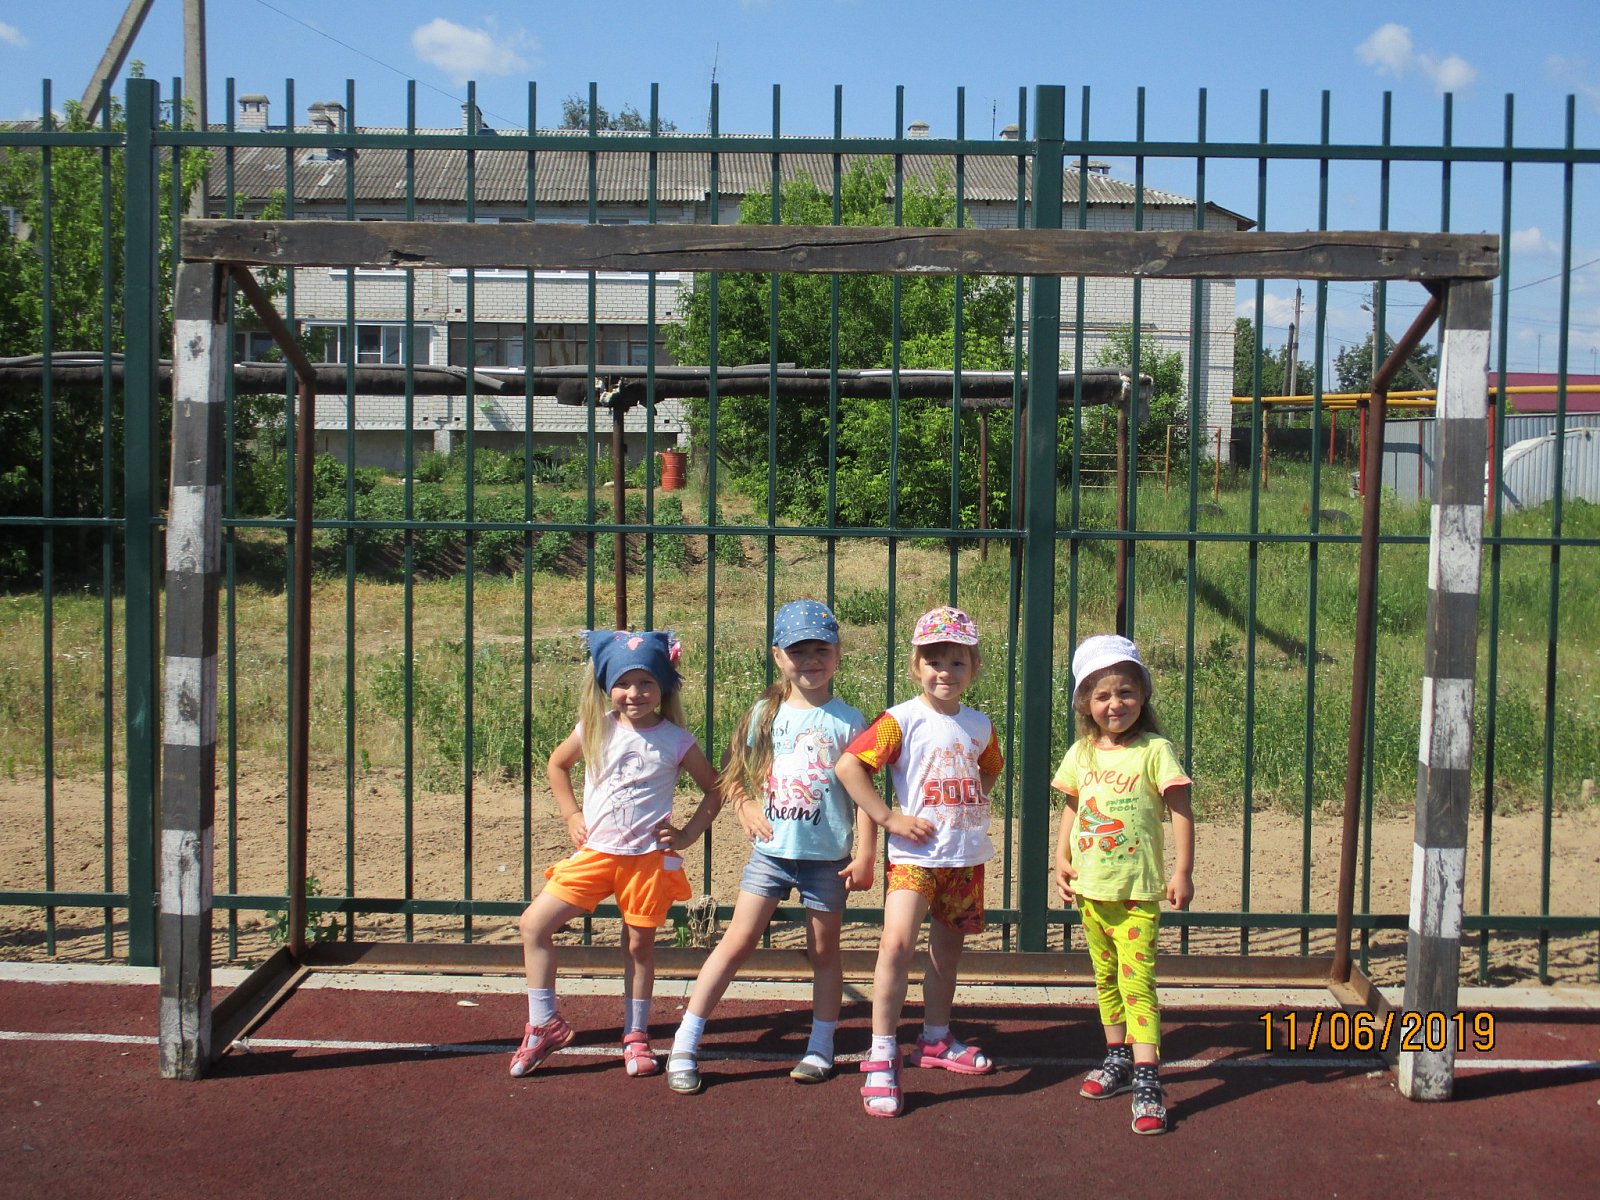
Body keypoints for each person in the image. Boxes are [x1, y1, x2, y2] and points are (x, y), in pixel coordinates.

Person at [666, 600, 920, 1094]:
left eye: (820, 650)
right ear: (778, 656)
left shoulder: (849, 720)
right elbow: (731, 773)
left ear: (838, 654)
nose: (810, 661)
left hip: (828, 860)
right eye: (798, 651)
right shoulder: (764, 714)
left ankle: (821, 1045)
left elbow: (865, 794)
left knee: (824, 951)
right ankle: (686, 1040)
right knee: (737, 941)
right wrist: (743, 805)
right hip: (772, 853)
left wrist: (866, 854)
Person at [509, 629, 721, 1079]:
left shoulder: (676, 739)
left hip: (646, 861)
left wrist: (686, 834)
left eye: (646, 682)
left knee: (638, 946)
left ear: (663, 686)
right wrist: (571, 814)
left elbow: (714, 789)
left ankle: (636, 1034)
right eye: (623, 683)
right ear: (607, 686)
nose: (634, 693)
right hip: (595, 854)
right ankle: (544, 1023)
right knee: (534, 925)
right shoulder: (595, 727)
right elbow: (557, 764)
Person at [835, 605, 1002, 1118]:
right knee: (896, 945)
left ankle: (935, 1038)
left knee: (945, 957)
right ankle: (882, 1053)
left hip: (964, 858)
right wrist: (888, 817)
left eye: (957, 662)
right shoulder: (900, 720)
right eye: (934, 661)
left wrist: (971, 803)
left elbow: (990, 767)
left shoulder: (980, 724)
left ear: (973, 667)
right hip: (914, 858)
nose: (944, 672)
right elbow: (850, 766)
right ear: (916, 666)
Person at [1052, 633, 1195, 1135]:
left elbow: (1181, 811)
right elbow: (1073, 806)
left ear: (1143, 695)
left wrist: (1182, 871)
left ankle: (1148, 1078)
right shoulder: (1081, 753)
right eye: (1103, 695)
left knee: (1137, 984)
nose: (1115, 704)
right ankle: (1117, 1057)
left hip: (1136, 891)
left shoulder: (1155, 751)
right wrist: (1061, 857)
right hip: (1091, 890)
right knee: (1106, 979)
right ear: (1085, 704)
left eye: (1126, 692)